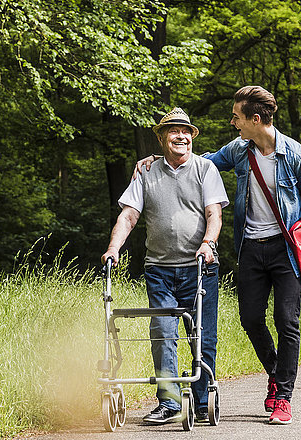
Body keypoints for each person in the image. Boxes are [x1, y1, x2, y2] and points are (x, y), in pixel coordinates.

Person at [134, 86, 301, 425]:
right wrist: (159, 161)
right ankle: (276, 371)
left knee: (288, 322)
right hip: (251, 249)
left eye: (237, 117)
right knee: (251, 319)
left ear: (255, 119)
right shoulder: (240, 150)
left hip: (286, 251)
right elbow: (200, 164)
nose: (233, 122)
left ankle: (283, 396)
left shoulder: (299, 156)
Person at [102, 107, 229, 425]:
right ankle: (170, 402)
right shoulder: (145, 172)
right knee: (161, 332)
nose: (181, 136)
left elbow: (214, 214)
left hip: (199, 266)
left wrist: (207, 244)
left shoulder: (205, 169)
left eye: (186, 131)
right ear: (160, 137)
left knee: (202, 336)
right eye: (173, 131)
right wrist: (113, 248)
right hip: (159, 269)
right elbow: (129, 214)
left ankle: (201, 401)